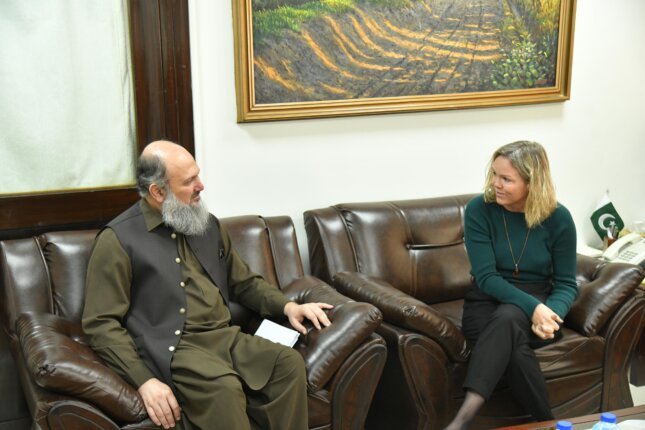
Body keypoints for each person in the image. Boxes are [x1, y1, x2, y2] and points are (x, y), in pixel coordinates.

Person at [82, 140, 333, 430]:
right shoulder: (118, 240)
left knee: (287, 364)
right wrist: (144, 380)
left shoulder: (207, 224)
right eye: (189, 181)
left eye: (197, 176)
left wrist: (288, 307)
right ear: (158, 192)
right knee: (224, 388)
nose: (201, 186)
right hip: (176, 349)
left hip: (225, 338)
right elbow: (100, 324)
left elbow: (243, 282)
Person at [444, 141, 577, 430]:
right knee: (510, 333)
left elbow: (567, 283)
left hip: (539, 299)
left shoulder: (559, 218)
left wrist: (551, 315)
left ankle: (461, 421)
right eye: (494, 174)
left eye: (506, 179)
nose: (496, 184)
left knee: (508, 320)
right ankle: (549, 424)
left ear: (532, 182)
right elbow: (486, 277)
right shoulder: (480, 209)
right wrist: (534, 309)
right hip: (486, 299)